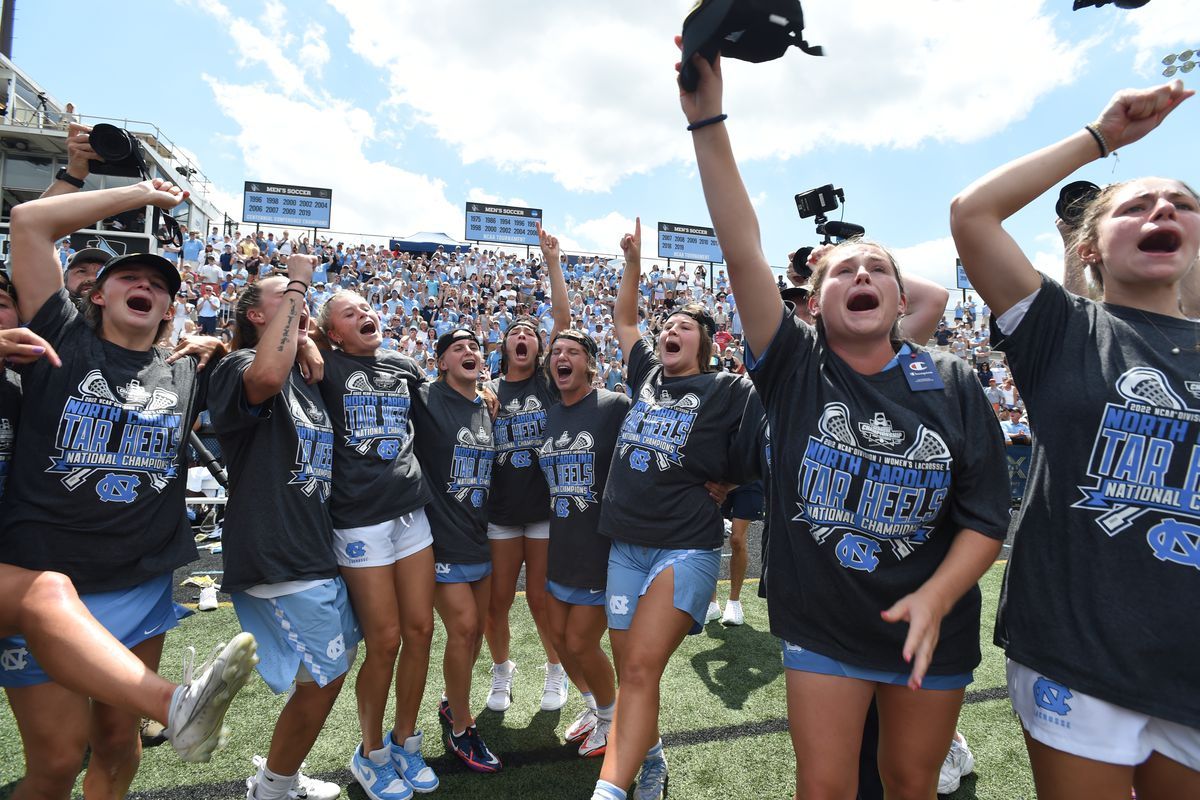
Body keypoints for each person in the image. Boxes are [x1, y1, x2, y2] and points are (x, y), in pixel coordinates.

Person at [680, 45, 1010, 800]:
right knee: (823, 788)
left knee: (909, 783)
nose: (862, 276)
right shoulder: (794, 368)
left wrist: (936, 595)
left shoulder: (952, 381)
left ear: (905, 301)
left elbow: (986, 515)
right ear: (810, 304)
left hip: (931, 626)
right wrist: (707, 120)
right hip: (824, 630)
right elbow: (740, 248)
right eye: (841, 272)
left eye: (878, 269)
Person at [950, 79, 1200, 799]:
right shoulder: (1064, 330)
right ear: (1089, 246)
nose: (1161, 209)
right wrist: (1103, 137)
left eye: (1181, 204)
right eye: (1136, 204)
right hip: (1076, 648)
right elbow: (973, 214)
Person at [0, 179, 234, 800]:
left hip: (138, 579)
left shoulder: (187, 369)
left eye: (160, 287)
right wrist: (142, 193)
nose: (147, 288)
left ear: (169, 312)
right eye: (132, 279)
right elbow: (27, 222)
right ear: (98, 295)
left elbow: (258, 377)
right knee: (54, 764)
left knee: (118, 747)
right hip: (46, 580)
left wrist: (229, 344)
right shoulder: (60, 338)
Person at [590, 218, 758, 800]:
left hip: (684, 546)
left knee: (638, 669)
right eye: (669, 325)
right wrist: (634, 261)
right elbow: (625, 319)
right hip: (625, 547)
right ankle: (652, 759)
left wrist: (733, 483)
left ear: (705, 345)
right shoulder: (647, 376)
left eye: (685, 327)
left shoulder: (729, 390)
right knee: (632, 670)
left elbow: (765, 445)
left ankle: (609, 790)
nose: (671, 331)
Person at [209, 256, 359, 800]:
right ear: (254, 315)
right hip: (277, 552)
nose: (303, 301)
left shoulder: (307, 372)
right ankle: (272, 787)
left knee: (323, 669)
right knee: (326, 675)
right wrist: (297, 279)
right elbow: (265, 376)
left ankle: (278, 770)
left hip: (315, 550)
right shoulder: (238, 366)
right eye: (286, 296)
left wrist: (307, 339)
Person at [315, 292, 439, 799]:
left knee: (422, 630)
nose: (366, 313)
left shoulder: (402, 364)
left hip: (411, 512)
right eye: (350, 313)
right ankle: (371, 753)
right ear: (332, 333)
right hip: (359, 520)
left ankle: (404, 738)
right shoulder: (321, 366)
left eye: (368, 307)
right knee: (384, 640)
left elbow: (438, 400)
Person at [482, 229, 571, 715]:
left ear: (541, 349)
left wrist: (552, 262)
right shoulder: (487, 390)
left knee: (540, 598)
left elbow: (562, 319)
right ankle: (502, 672)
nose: (523, 337)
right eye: (515, 332)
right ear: (504, 346)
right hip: (500, 510)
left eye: (530, 335)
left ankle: (554, 670)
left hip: (542, 510)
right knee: (497, 602)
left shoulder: (547, 381)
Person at [409, 328, 502, 773]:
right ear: (441, 361)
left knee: (476, 632)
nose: (470, 351)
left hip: (477, 536)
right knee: (463, 628)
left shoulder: (485, 406)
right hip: (439, 538)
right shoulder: (424, 397)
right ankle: (462, 729)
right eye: (457, 348)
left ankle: (452, 702)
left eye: (475, 348)